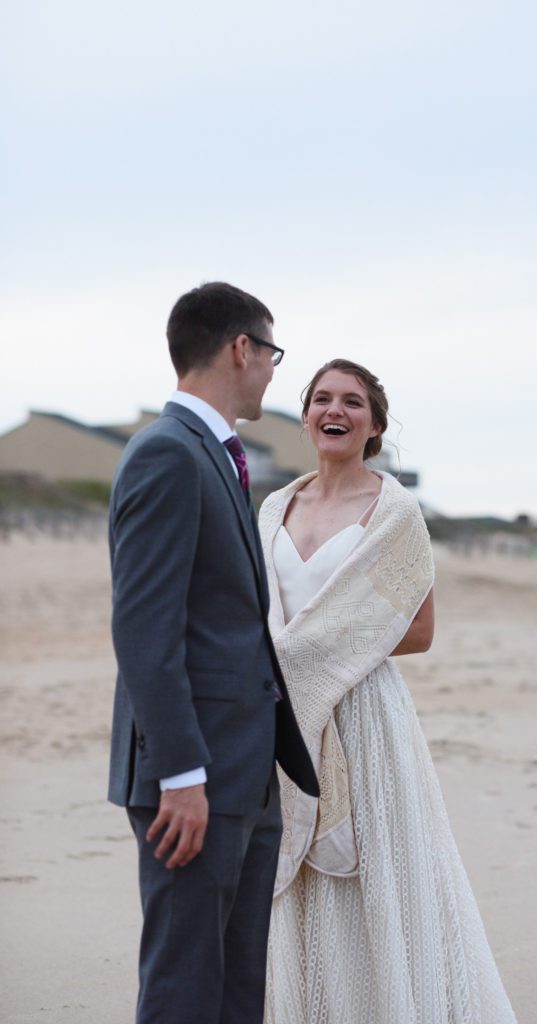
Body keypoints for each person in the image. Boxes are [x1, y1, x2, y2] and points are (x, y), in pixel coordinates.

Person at [259, 359, 517, 1023]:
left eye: (352, 401)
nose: (334, 411)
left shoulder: (395, 512)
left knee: (377, 872)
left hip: (363, 714)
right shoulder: (273, 508)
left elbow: (420, 630)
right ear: (305, 416)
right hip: (281, 713)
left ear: (374, 424)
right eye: (321, 399)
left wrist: (320, 656)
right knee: (294, 875)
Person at [107, 281, 319, 1024]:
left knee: (235, 987)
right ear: (241, 348)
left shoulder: (217, 455)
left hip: (243, 769)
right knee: (185, 984)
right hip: (193, 779)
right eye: (271, 355)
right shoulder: (167, 453)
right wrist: (181, 775)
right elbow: (144, 629)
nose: (271, 372)